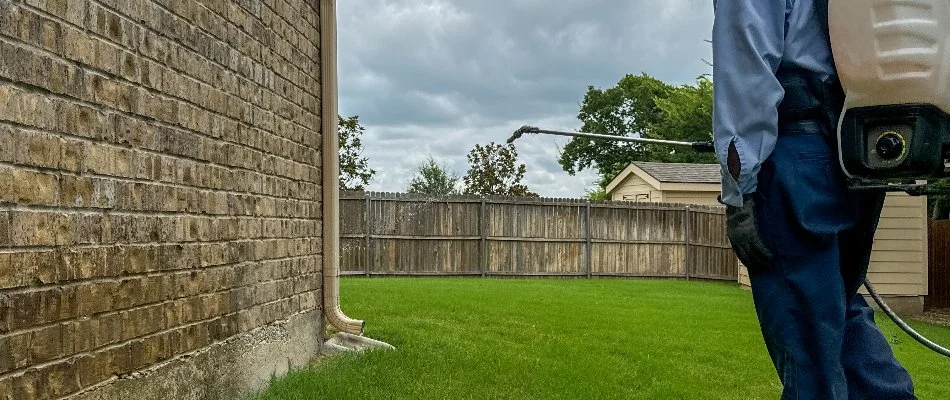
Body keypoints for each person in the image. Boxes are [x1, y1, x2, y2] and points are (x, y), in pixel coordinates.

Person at [711, 0, 918, 398]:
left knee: (810, 361)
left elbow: (746, 58)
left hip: (794, 157)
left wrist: (739, 189)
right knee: (837, 312)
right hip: (857, 155)